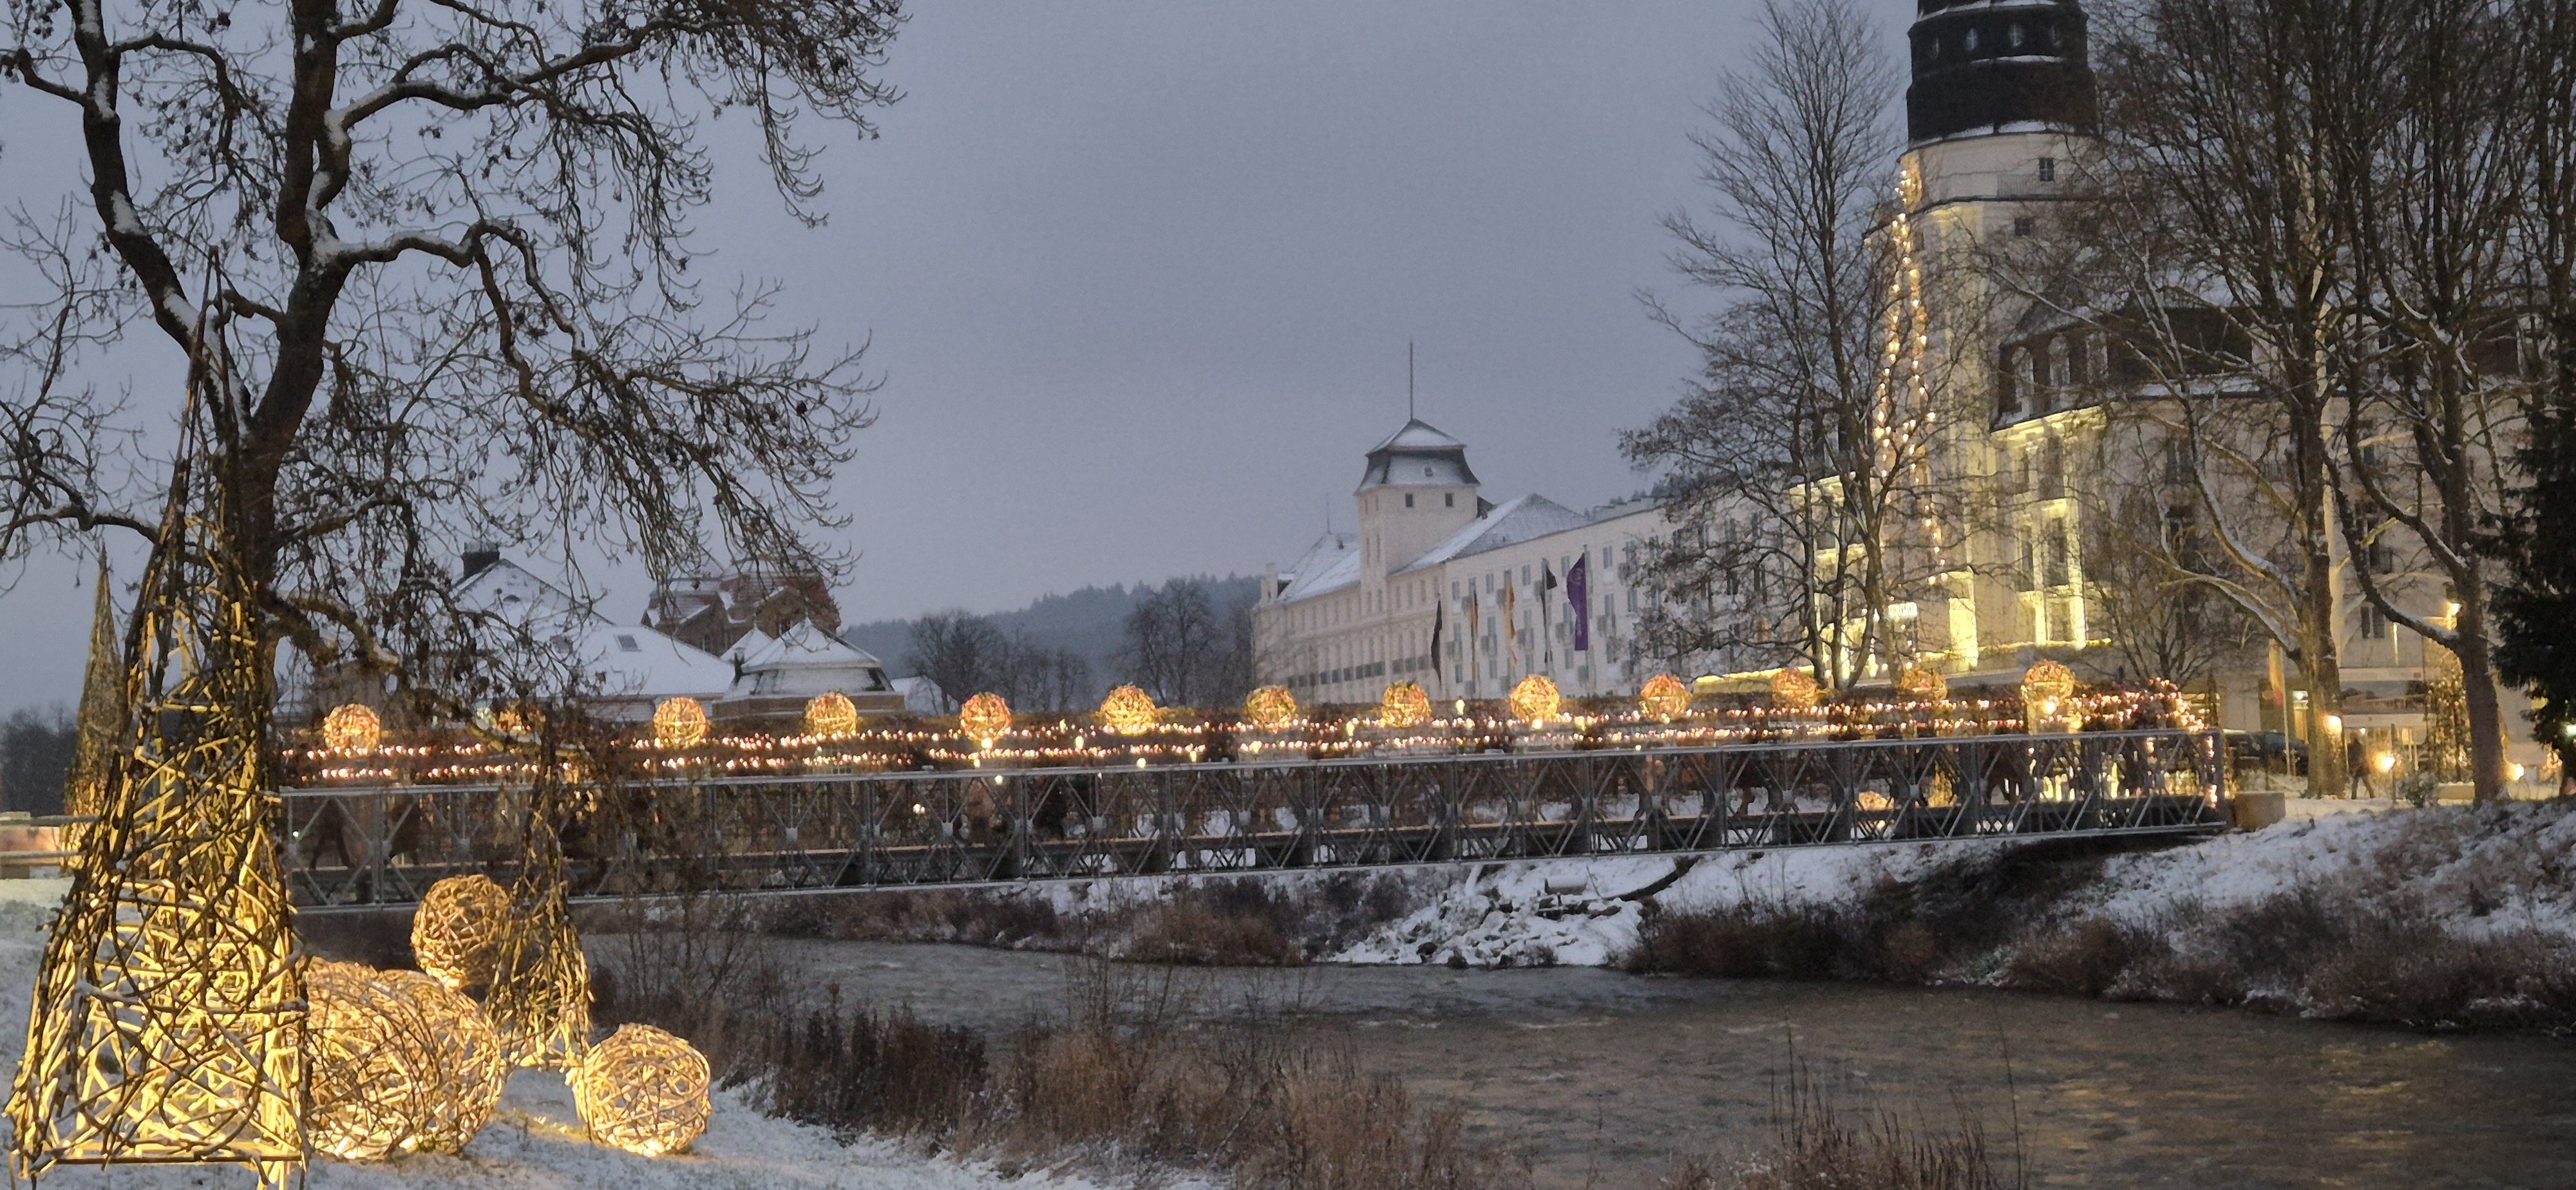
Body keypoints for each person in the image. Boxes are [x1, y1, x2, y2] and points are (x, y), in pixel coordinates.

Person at [2346, 736, 2378, 800]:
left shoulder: (2359, 747)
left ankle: (2372, 795)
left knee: (2366, 782)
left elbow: (2361, 756)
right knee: (2355, 783)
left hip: (2362, 767)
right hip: (2356, 767)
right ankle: (2354, 797)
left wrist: (2358, 764)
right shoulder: (2350, 747)